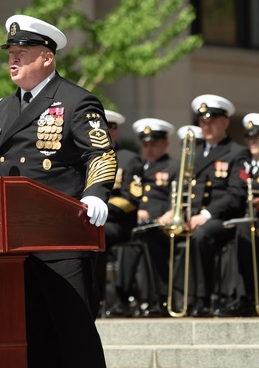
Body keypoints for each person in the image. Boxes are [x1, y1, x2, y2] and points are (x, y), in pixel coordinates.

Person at [0, 14, 115, 368]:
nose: (13, 61)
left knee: (74, 332)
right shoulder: (2, 108)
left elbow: (100, 153)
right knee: (33, 336)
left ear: (47, 58)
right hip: (15, 240)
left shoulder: (75, 100)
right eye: (11, 54)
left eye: (23, 53)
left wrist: (97, 193)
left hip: (61, 237)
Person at [211, 113, 259, 317]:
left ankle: (245, 298)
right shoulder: (242, 166)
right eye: (250, 138)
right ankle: (231, 295)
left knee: (244, 231)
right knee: (234, 232)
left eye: (258, 138)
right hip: (243, 219)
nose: (253, 142)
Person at [184, 95, 249, 315]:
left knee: (202, 235)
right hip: (193, 216)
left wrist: (206, 214)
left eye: (212, 121)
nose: (207, 126)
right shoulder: (193, 152)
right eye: (203, 122)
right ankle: (164, 299)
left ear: (226, 122)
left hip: (222, 218)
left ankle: (202, 298)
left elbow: (235, 195)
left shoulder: (237, 152)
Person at [120, 118, 180, 317]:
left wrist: (157, 214)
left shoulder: (173, 168)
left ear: (165, 143)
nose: (149, 149)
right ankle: (125, 297)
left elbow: (176, 199)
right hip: (136, 224)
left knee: (146, 238)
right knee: (124, 238)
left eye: (154, 144)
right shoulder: (137, 167)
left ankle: (156, 298)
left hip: (161, 225)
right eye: (145, 144)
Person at [102, 110, 144, 317]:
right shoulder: (86, 157)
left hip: (119, 223)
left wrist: (101, 210)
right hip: (91, 219)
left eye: (108, 128)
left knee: (97, 232)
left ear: (114, 131)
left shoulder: (129, 159)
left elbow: (131, 199)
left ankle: (103, 296)